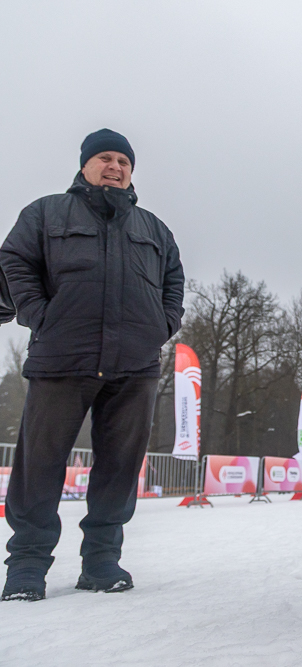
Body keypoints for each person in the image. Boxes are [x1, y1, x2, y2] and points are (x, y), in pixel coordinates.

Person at [1, 129, 184, 602]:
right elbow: (14, 263)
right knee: (39, 465)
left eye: (124, 161)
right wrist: (40, 315)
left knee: (120, 468)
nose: (115, 167)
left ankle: (102, 561)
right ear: (84, 165)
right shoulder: (45, 213)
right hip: (63, 358)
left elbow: (173, 284)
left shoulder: (154, 229)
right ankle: (26, 567)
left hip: (135, 366)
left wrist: (160, 327)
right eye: (105, 158)